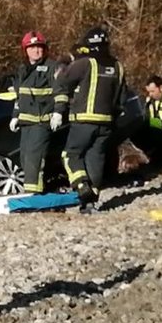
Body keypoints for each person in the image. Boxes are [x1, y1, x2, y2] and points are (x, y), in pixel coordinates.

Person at [53, 26, 126, 213]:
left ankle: (81, 186)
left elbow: (62, 80)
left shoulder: (86, 63)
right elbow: (122, 99)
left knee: (70, 155)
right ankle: (90, 202)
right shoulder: (118, 66)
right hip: (107, 124)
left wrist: (59, 110)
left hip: (84, 120)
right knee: (96, 159)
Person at [9, 31, 61, 194]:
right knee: (25, 158)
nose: (36, 51)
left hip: (41, 121)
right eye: (32, 48)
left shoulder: (52, 67)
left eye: (39, 47)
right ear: (25, 50)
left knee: (35, 157)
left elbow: (59, 92)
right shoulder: (22, 69)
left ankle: (34, 193)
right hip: (26, 123)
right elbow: (20, 96)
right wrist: (15, 116)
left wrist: (58, 112)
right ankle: (31, 190)